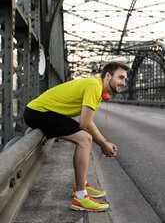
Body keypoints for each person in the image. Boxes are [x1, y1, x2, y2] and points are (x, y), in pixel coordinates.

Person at [24, 61, 130, 212]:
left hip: (44, 112)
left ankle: (81, 186)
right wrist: (104, 144)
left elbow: (86, 122)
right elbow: (85, 123)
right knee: (85, 139)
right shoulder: (94, 86)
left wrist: (103, 142)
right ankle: (80, 197)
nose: (123, 82)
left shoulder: (97, 87)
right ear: (108, 76)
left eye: (125, 79)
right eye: (121, 77)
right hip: (38, 113)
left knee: (85, 136)